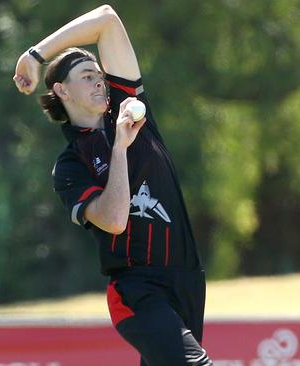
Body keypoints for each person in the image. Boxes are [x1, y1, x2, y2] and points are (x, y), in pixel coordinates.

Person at [13, 5, 213, 366]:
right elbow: (115, 219)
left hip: (187, 279)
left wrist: (36, 54)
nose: (99, 82)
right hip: (137, 290)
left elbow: (106, 18)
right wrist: (120, 147)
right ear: (62, 90)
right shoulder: (70, 165)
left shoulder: (129, 106)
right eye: (87, 76)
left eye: (100, 76)